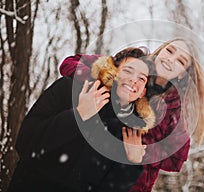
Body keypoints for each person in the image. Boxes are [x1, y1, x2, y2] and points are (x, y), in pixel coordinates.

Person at [59, 38, 204, 191]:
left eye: (181, 61)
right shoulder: (135, 63)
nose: (171, 59)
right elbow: (70, 63)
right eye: (169, 50)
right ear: (160, 51)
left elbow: (176, 160)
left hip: (131, 184)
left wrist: (143, 152)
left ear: (182, 74)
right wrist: (100, 79)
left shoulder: (176, 109)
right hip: (90, 167)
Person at [8, 47, 155, 192]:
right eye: (128, 70)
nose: (133, 80)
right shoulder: (69, 89)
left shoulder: (129, 133)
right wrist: (78, 115)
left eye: (141, 78)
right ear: (113, 72)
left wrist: (132, 163)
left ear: (143, 92)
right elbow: (25, 142)